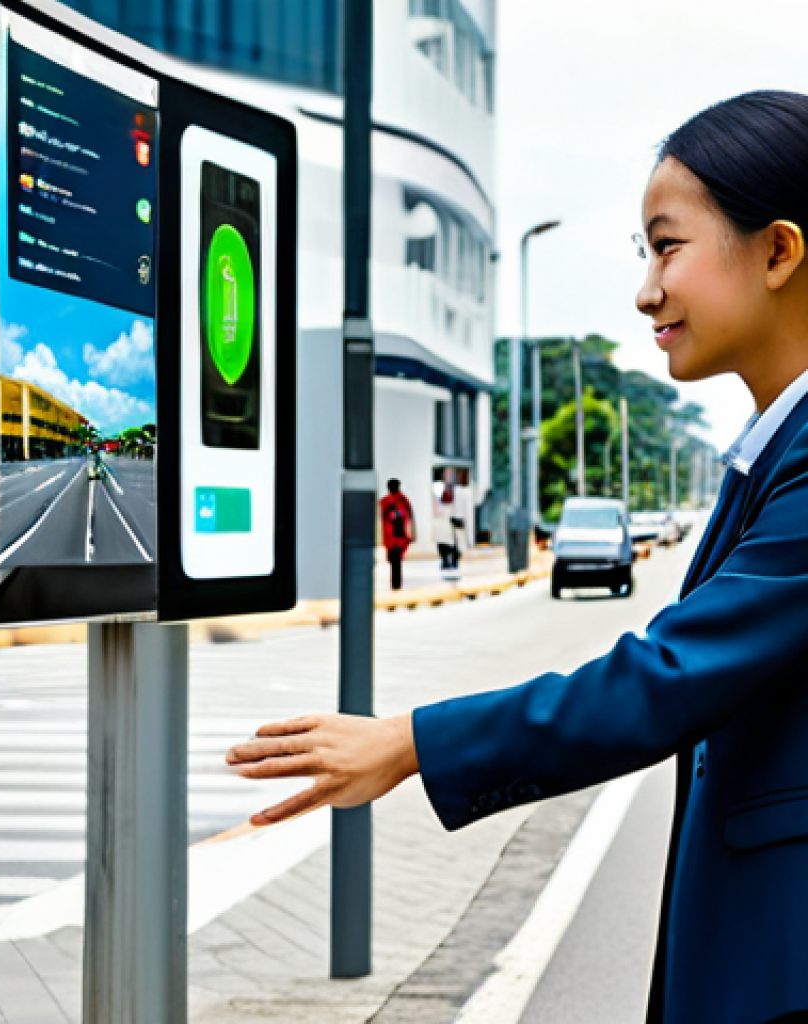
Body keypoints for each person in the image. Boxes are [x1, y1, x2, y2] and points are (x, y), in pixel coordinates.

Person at [226, 91, 808, 1023]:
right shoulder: (769, 451)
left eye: (668, 247)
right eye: (643, 254)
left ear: (777, 251)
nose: (645, 291)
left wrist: (414, 741)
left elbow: (670, 677)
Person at [379, 478, 414, 590]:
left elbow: (406, 515)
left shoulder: (391, 501)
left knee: (395, 562)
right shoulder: (402, 500)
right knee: (395, 562)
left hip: (394, 536)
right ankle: (396, 585)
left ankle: (396, 585)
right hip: (396, 536)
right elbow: (407, 515)